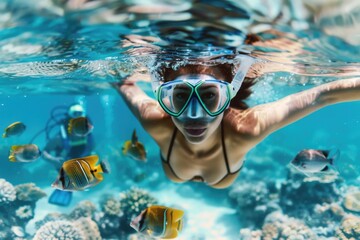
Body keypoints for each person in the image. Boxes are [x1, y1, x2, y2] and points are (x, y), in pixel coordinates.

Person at [113, 52, 360, 189]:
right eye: (180, 95)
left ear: (228, 95)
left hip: (208, 174)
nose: (195, 115)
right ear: (164, 96)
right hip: (217, 173)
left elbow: (321, 95)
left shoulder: (246, 128)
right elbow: (123, 83)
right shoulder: (155, 119)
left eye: (210, 95)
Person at [42, 103, 95, 205]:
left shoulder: (88, 137)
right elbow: (44, 152)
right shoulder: (60, 138)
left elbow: (91, 150)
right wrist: (53, 160)